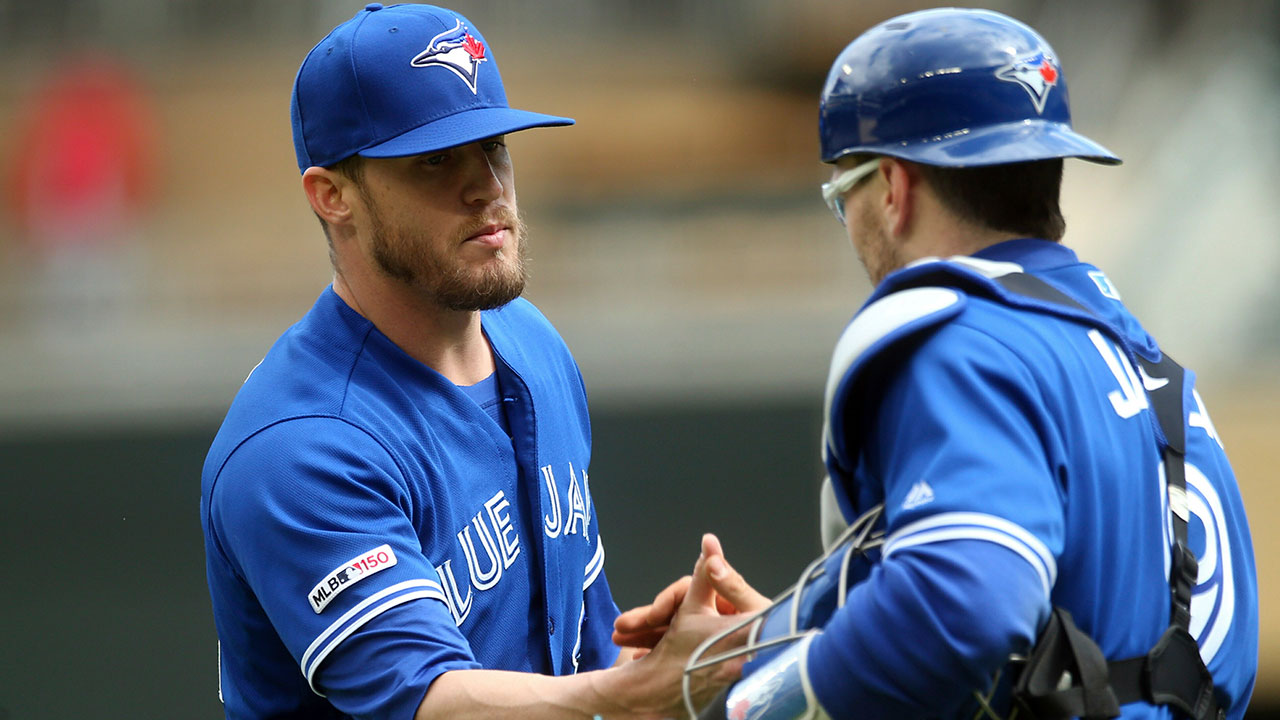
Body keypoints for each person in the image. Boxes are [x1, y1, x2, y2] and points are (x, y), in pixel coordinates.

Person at [624, 8, 1259, 720]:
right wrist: (782, 636)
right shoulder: (1148, 366)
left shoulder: (964, 343)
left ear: (892, 188)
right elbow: (1095, 644)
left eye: (845, 196)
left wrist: (766, 702)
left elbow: (964, 605)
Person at [199, 4, 757, 718]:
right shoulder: (299, 447)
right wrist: (633, 695)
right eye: (435, 160)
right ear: (332, 196)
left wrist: (687, 659)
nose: (487, 188)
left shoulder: (531, 344)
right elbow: (433, 702)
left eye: (493, 146)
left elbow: (579, 667)